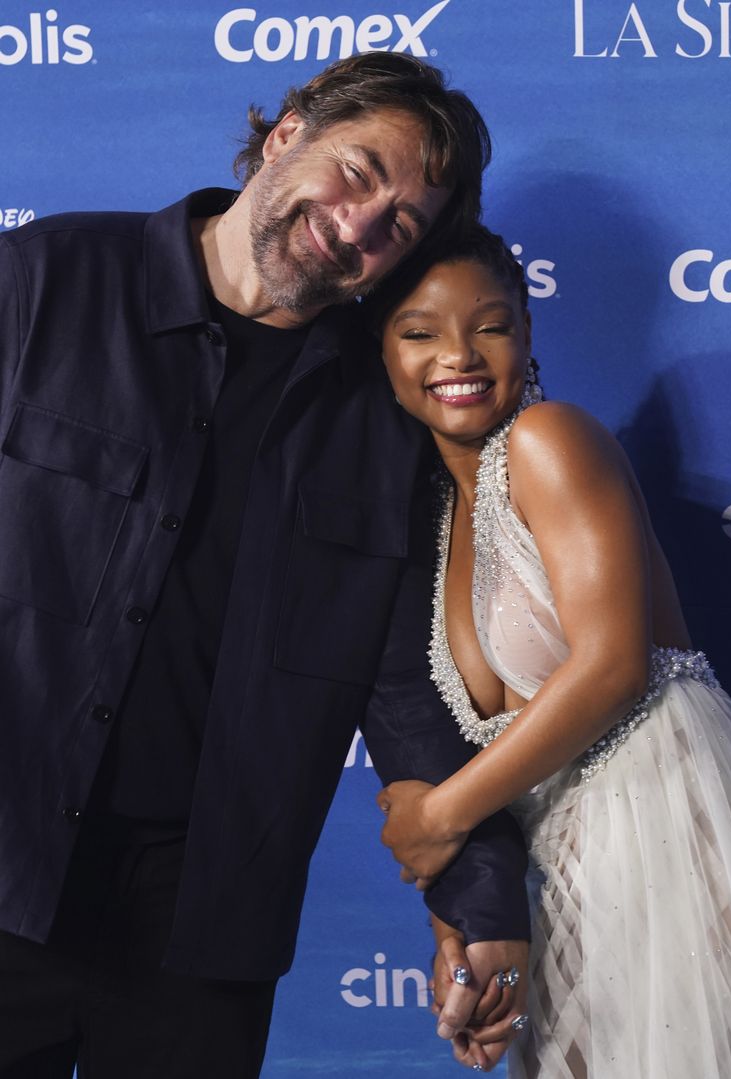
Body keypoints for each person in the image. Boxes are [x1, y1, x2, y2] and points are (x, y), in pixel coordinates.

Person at [0, 57, 532, 1078]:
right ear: (286, 134)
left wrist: (478, 896)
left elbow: (400, 670)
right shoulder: (45, 279)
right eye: (358, 171)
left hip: (202, 924)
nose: (361, 224)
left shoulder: (381, 416)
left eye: (403, 225)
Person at [373, 225, 731, 1076]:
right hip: (562, 875)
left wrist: (440, 818)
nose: (459, 354)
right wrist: (461, 930)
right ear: (379, 351)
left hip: (671, 824)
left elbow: (611, 666)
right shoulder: (428, 520)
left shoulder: (551, 439)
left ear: (527, 333)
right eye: (419, 331)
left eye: (489, 325)